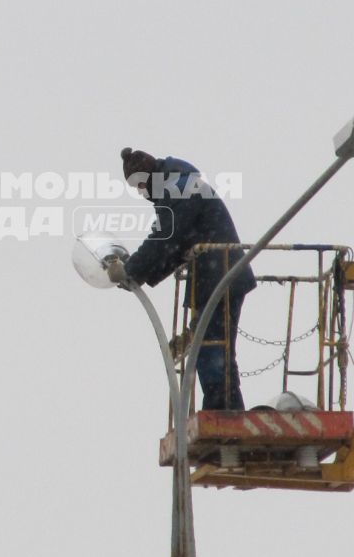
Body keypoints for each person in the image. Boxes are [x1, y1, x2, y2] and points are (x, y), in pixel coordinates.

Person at [108, 146, 255, 411]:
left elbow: (166, 239)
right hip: (215, 276)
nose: (141, 194)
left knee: (212, 349)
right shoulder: (178, 186)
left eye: (139, 187)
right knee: (213, 348)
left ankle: (223, 411)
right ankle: (227, 409)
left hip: (220, 276)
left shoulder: (180, 189)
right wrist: (137, 273)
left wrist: (131, 271)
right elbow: (172, 246)